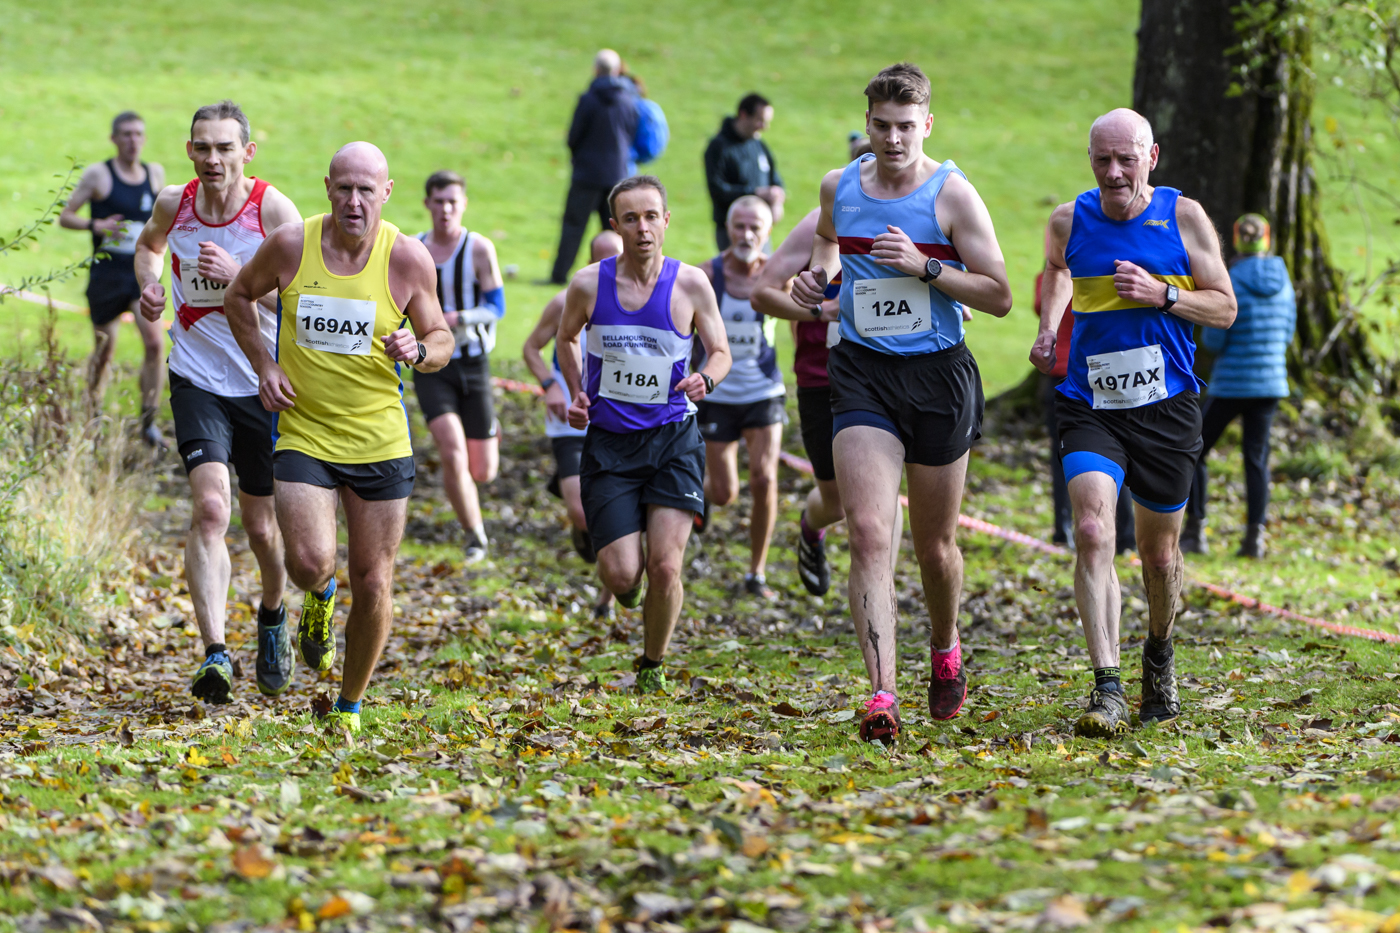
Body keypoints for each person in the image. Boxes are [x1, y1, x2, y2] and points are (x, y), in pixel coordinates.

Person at [791, 64, 1013, 743]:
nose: (893, 139)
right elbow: (827, 239)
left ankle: (945, 646)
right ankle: (882, 694)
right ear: (868, 125)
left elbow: (999, 293)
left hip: (939, 378)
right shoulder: (841, 187)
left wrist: (925, 266)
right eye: (882, 126)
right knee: (867, 531)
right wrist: (817, 278)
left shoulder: (953, 196)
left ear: (927, 126)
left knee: (934, 545)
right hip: (861, 374)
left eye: (905, 127)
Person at [223, 142, 454, 734]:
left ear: (387, 192)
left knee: (375, 579)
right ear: (328, 187)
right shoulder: (292, 245)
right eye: (344, 188)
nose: (354, 201)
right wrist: (264, 366)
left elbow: (441, 338)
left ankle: (349, 706)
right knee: (306, 561)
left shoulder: (406, 259)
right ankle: (318, 595)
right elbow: (238, 295)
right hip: (305, 429)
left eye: (366, 190)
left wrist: (420, 348)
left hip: (380, 439)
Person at [1030, 108, 1237, 737]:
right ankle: (1108, 687)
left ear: (1152, 157)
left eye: (1127, 159)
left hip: (1167, 406)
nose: (1114, 172)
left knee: (1158, 552)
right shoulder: (1069, 220)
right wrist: (1047, 330)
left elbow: (1224, 308)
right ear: (1090, 159)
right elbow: (1060, 272)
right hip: (1090, 402)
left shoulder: (1184, 217)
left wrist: (1165, 295)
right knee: (1093, 529)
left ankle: (1159, 651)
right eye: (1102, 160)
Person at [132, 100, 301, 703]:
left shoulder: (273, 213)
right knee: (210, 509)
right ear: (189, 151)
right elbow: (150, 247)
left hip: (260, 383)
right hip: (196, 375)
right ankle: (215, 654)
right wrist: (150, 286)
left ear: (246, 153)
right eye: (202, 146)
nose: (211, 158)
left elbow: (304, 306)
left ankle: (274, 613)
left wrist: (241, 279)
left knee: (261, 526)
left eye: (224, 147)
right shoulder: (173, 203)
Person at [556, 175, 731, 694]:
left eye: (651, 216)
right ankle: (630, 593)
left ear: (666, 221)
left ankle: (652, 664)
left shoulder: (691, 284)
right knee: (620, 574)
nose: (642, 228)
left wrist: (708, 377)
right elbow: (566, 338)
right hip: (609, 443)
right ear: (615, 227)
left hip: (673, 438)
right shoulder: (589, 284)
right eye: (630, 218)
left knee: (665, 563)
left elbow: (720, 350)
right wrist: (576, 391)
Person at [522, 229, 623, 617]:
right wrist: (550, 385)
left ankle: (606, 598)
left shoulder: (640, 303)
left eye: (614, 259)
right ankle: (580, 525)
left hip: (618, 423)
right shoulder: (566, 301)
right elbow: (531, 347)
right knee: (583, 513)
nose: (607, 268)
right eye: (598, 260)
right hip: (571, 422)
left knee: (611, 513)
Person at [1183, 213, 1294, 559]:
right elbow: (1288, 332)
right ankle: (1254, 539)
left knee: (1194, 450)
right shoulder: (1284, 279)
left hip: (1232, 384)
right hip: (1271, 384)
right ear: (1267, 239)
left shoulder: (1231, 279)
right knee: (1256, 459)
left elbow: (1215, 339)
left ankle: (1196, 530)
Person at [692, 196, 785, 599]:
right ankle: (706, 497)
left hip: (764, 390)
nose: (747, 235)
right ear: (729, 229)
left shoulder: (778, 274)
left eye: (755, 228)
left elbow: (806, 319)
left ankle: (756, 573)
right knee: (724, 492)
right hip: (716, 392)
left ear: (768, 232)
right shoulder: (706, 275)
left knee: (764, 478)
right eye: (739, 227)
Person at [412, 171, 503, 564]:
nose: (446, 209)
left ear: (463, 204)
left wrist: (460, 317)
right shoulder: (413, 249)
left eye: (453, 201)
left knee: (482, 470)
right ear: (427, 204)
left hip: (473, 362)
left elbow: (497, 307)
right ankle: (475, 535)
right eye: (438, 201)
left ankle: (489, 431)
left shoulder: (479, 249)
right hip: (432, 365)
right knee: (452, 451)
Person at [59, 111, 167, 446]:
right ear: (114, 139)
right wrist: (97, 225)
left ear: (144, 138)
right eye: (125, 134)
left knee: (154, 342)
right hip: (106, 274)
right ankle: (92, 417)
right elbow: (66, 216)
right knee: (105, 350)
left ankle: (148, 421)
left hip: (139, 273)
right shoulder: (98, 175)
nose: (132, 140)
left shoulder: (155, 174)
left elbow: (164, 222)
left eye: (138, 134)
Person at [1034, 261, 1136, 552]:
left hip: (1061, 372)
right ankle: (1126, 535)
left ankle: (1061, 529)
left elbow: (1040, 306)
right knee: (1117, 453)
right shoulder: (1104, 273)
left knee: (1061, 457)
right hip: (1098, 374)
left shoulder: (1048, 277)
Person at [547, 49, 639, 285]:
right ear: (618, 71)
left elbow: (574, 136)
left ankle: (559, 276)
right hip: (617, 175)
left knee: (573, 226)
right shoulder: (629, 100)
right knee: (617, 229)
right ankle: (626, 275)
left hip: (586, 174)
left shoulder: (588, 99)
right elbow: (631, 132)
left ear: (596, 70)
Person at [704, 94, 785, 251]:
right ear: (743, 115)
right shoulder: (719, 147)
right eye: (760, 120)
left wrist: (777, 199)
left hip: (761, 229)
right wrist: (756, 193)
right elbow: (717, 190)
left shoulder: (759, 145)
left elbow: (775, 179)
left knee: (764, 273)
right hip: (732, 231)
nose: (764, 127)